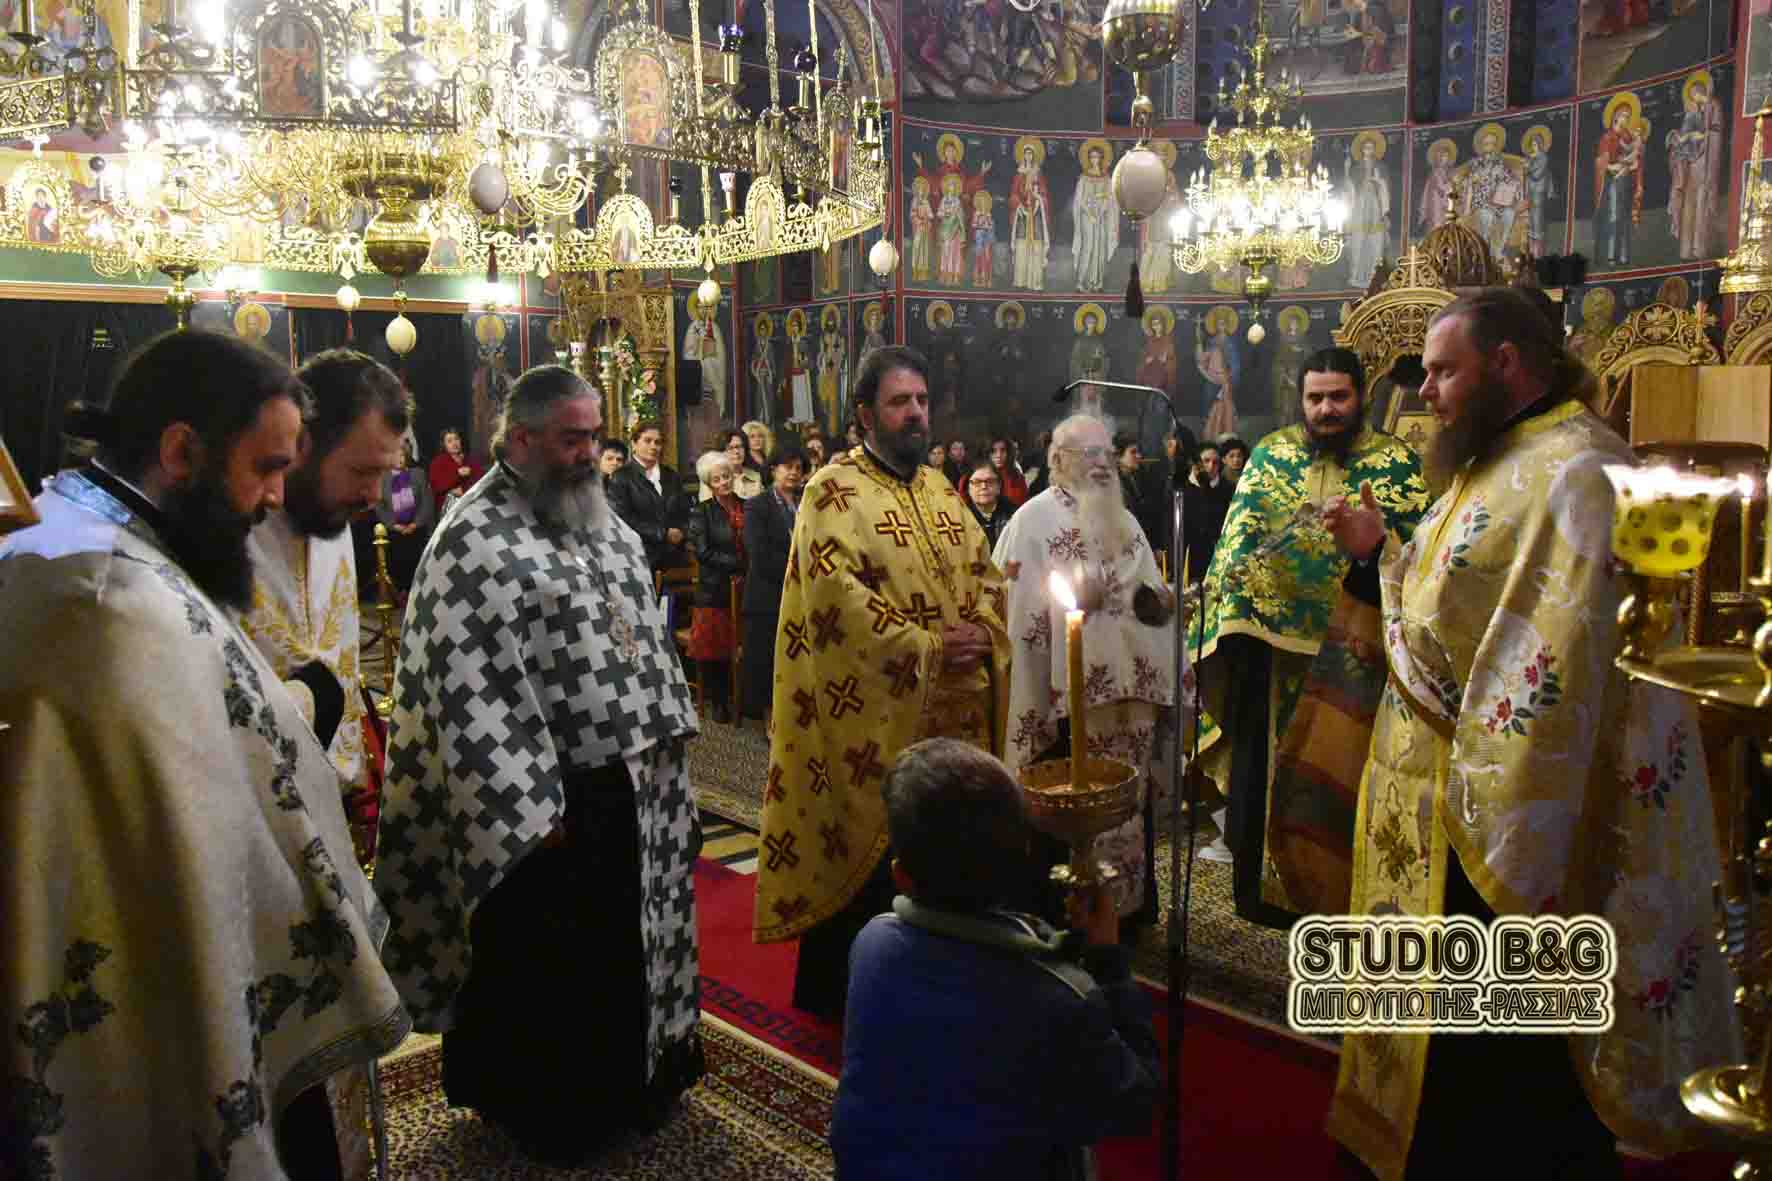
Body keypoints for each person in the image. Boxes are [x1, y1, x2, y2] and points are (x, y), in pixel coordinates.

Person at [1319, 288, 1740, 1179]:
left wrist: (1497, 803)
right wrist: (1380, 554)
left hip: (1503, 823)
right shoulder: (1501, 454)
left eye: (1443, 371)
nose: (1424, 391)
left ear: (1505, 363)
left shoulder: (1579, 471)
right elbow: (1447, 601)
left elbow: (1559, 672)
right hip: (1439, 806)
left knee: (1499, 1073)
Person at [1, 330, 408, 1178]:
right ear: (182, 452)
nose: (274, 497)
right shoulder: (113, 598)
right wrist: (312, 700)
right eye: (265, 468)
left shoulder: (72, 526)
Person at [376, 365, 703, 1166]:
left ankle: (639, 1080)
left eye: (594, 436)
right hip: (545, 802)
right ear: (519, 439)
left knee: (628, 946)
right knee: (554, 964)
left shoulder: (603, 522)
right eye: (571, 439)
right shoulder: (472, 539)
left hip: (632, 788)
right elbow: (463, 685)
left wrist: (667, 751)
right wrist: (525, 805)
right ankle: (552, 1111)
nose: (589, 453)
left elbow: (643, 636)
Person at [754, 346, 1011, 1021]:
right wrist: (928, 647)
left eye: (921, 400)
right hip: (877, 720)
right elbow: (835, 600)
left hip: (958, 716)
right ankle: (865, 998)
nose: (916, 413)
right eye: (900, 402)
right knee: (879, 858)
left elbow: (986, 573)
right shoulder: (833, 491)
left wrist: (986, 627)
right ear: (866, 413)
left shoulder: (940, 488)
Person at [830, 739, 1161, 1179]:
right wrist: (1108, 960)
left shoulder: (872, 942)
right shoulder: (1061, 994)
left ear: (900, 876)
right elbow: (1135, 1103)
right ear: (1025, 857)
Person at [1193, 348, 1428, 919]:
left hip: (1356, 651)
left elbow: (1419, 556)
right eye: (1315, 398)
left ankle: (1335, 895)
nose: (1326, 409)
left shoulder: (1397, 463)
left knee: (1342, 770)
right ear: (1300, 399)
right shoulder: (1270, 455)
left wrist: (1377, 548)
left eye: (1338, 397)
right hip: (1269, 655)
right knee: (1263, 769)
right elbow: (1237, 545)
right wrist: (1232, 616)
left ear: (1361, 396)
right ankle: (1259, 893)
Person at [994, 415, 1181, 932]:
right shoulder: (1031, 523)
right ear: (1057, 460)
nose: (1102, 464)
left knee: (1127, 805)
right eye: (1088, 453)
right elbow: (1017, 616)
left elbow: (1145, 597)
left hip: (1131, 698)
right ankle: (1067, 921)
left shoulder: (1126, 520)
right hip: (1066, 704)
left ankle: (1127, 915)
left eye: (1107, 453)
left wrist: (1161, 603)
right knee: (1066, 806)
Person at [241, 348, 411, 869]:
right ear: (302, 443)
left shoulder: (331, 513)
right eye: (361, 471)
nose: (373, 495)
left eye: (385, 473)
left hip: (328, 800)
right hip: (249, 815)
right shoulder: (228, 527)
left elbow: (338, 651)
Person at [738, 441, 805, 725]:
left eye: (799, 468)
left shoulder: (807, 503)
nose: (794, 472)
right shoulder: (757, 505)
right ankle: (769, 717)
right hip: (768, 594)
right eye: (787, 466)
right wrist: (796, 573)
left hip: (803, 594)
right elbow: (758, 553)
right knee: (768, 660)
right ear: (773, 469)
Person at [688, 449, 747, 723]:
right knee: (717, 648)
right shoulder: (701, 512)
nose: (724, 482)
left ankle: (746, 697)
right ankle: (719, 700)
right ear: (709, 484)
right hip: (715, 589)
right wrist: (738, 564)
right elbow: (703, 552)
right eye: (717, 479)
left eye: (726, 476)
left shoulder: (748, 506)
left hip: (747, 586)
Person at [605, 419, 691, 572]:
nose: (653, 446)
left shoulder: (672, 476)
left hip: (676, 557)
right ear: (634, 444)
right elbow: (623, 519)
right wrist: (663, 534)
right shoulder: (621, 477)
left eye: (658, 442)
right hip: (639, 558)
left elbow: (685, 511)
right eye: (647, 441)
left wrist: (681, 532)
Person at [375, 439, 438, 592]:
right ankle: (399, 594)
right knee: (396, 565)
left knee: (417, 565)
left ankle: (416, 593)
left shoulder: (418, 474)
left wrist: (415, 524)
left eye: (402, 455)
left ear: (407, 457)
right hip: (394, 531)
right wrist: (393, 525)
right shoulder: (383, 478)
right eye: (395, 456)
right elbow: (379, 506)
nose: (399, 459)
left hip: (416, 530)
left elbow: (427, 502)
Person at [428, 427, 484, 505]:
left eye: (456, 439)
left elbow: (482, 479)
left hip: (473, 501)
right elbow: (436, 486)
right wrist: (457, 474)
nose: (454, 443)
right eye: (449, 441)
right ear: (444, 445)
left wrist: (464, 489)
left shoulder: (470, 459)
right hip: (450, 507)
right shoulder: (437, 463)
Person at [964, 460, 1014, 548]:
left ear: (999, 486)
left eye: (990, 481)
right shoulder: (961, 517)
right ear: (968, 488)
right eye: (977, 482)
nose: (983, 486)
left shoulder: (1013, 514)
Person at [712, 429, 763, 499]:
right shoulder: (713, 479)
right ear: (721, 452)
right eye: (730, 448)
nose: (736, 451)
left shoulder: (756, 476)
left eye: (740, 447)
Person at [989, 436, 1029, 506]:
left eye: (1003, 450)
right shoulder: (981, 477)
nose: (998, 455)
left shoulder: (1017, 477)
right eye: (994, 451)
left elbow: (1022, 505)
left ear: (1009, 453)